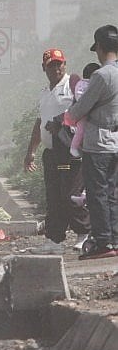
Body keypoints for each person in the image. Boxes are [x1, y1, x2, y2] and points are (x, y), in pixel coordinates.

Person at [25, 48, 90, 254]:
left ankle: (84, 234)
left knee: (72, 195)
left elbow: (85, 111)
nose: (55, 68)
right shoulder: (44, 93)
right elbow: (39, 123)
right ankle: (54, 240)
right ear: (43, 68)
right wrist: (31, 151)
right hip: (52, 153)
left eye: (58, 64)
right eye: (51, 65)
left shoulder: (74, 85)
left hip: (71, 151)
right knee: (53, 197)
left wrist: (62, 122)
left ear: (65, 65)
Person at [66, 25, 118, 259]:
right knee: (113, 193)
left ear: (99, 46)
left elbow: (80, 109)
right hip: (116, 140)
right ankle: (114, 239)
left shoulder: (101, 75)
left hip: (98, 144)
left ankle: (103, 242)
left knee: (97, 193)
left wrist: (70, 115)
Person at [63, 62, 101, 158]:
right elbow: (80, 98)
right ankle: (74, 147)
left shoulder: (92, 85)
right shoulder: (83, 84)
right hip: (83, 115)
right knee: (81, 130)